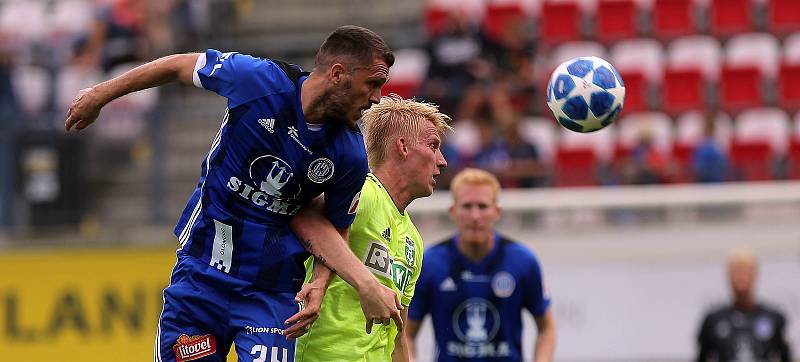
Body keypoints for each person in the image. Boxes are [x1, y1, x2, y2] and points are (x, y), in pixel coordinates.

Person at [65, 25, 404, 362]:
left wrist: (319, 281)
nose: (376, 97)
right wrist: (100, 95)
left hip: (271, 294)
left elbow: (336, 223)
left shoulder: (349, 154)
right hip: (201, 276)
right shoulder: (258, 81)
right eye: (372, 83)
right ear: (338, 73)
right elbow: (178, 65)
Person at [286, 96, 451, 361]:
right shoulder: (362, 192)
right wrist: (324, 281)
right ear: (403, 147)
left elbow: (397, 335)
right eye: (433, 145)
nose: (441, 160)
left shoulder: (414, 240)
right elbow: (304, 214)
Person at [407, 168, 556, 362]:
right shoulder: (430, 263)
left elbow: (547, 327)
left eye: (483, 206)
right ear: (453, 212)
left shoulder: (523, 261)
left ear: (497, 212)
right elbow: (407, 332)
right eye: (467, 206)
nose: (475, 216)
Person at [696, 248, 792, 362]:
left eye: (745, 271)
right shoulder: (713, 319)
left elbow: (785, 356)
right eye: (736, 272)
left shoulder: (774, 317)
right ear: (728, 276)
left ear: (755, 274)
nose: (741, 277)